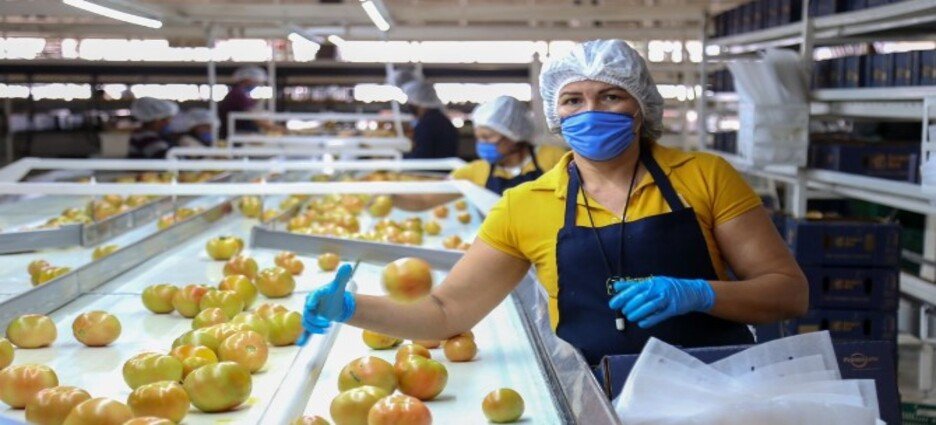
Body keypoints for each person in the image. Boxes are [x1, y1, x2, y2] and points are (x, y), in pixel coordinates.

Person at [298, 40, 808, 365]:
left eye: (610, 96)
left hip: (718, 390)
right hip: (600, 397)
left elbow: (789, 294)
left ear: (640, 106)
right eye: (573, 100)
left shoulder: (705, 176)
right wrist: (351, 308)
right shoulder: (525, 204)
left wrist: (699, 294)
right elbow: (447, 312)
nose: (590, 111)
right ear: (555, 114)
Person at [452, 95, 566, 195]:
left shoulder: (555, 158)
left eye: (487, 137)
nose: (482, 143)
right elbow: (446, 187)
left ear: (514, 134)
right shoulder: (475, 171)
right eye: (478, 138)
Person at [400, 80, 460, 159]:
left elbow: (422, 156)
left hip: (434, 166)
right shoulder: (440, 120)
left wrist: (400, 156)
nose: (409, 104)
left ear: (419, 102)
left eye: (411, 101)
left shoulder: (427, 125)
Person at [218, 66, 281, 140]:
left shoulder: (238, 94)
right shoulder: (238, 94)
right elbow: (253, 118)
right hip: (235, 135)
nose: (256, 85)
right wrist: (277, 128)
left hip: (235, 133)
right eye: (256, 82)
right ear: (247, 80)